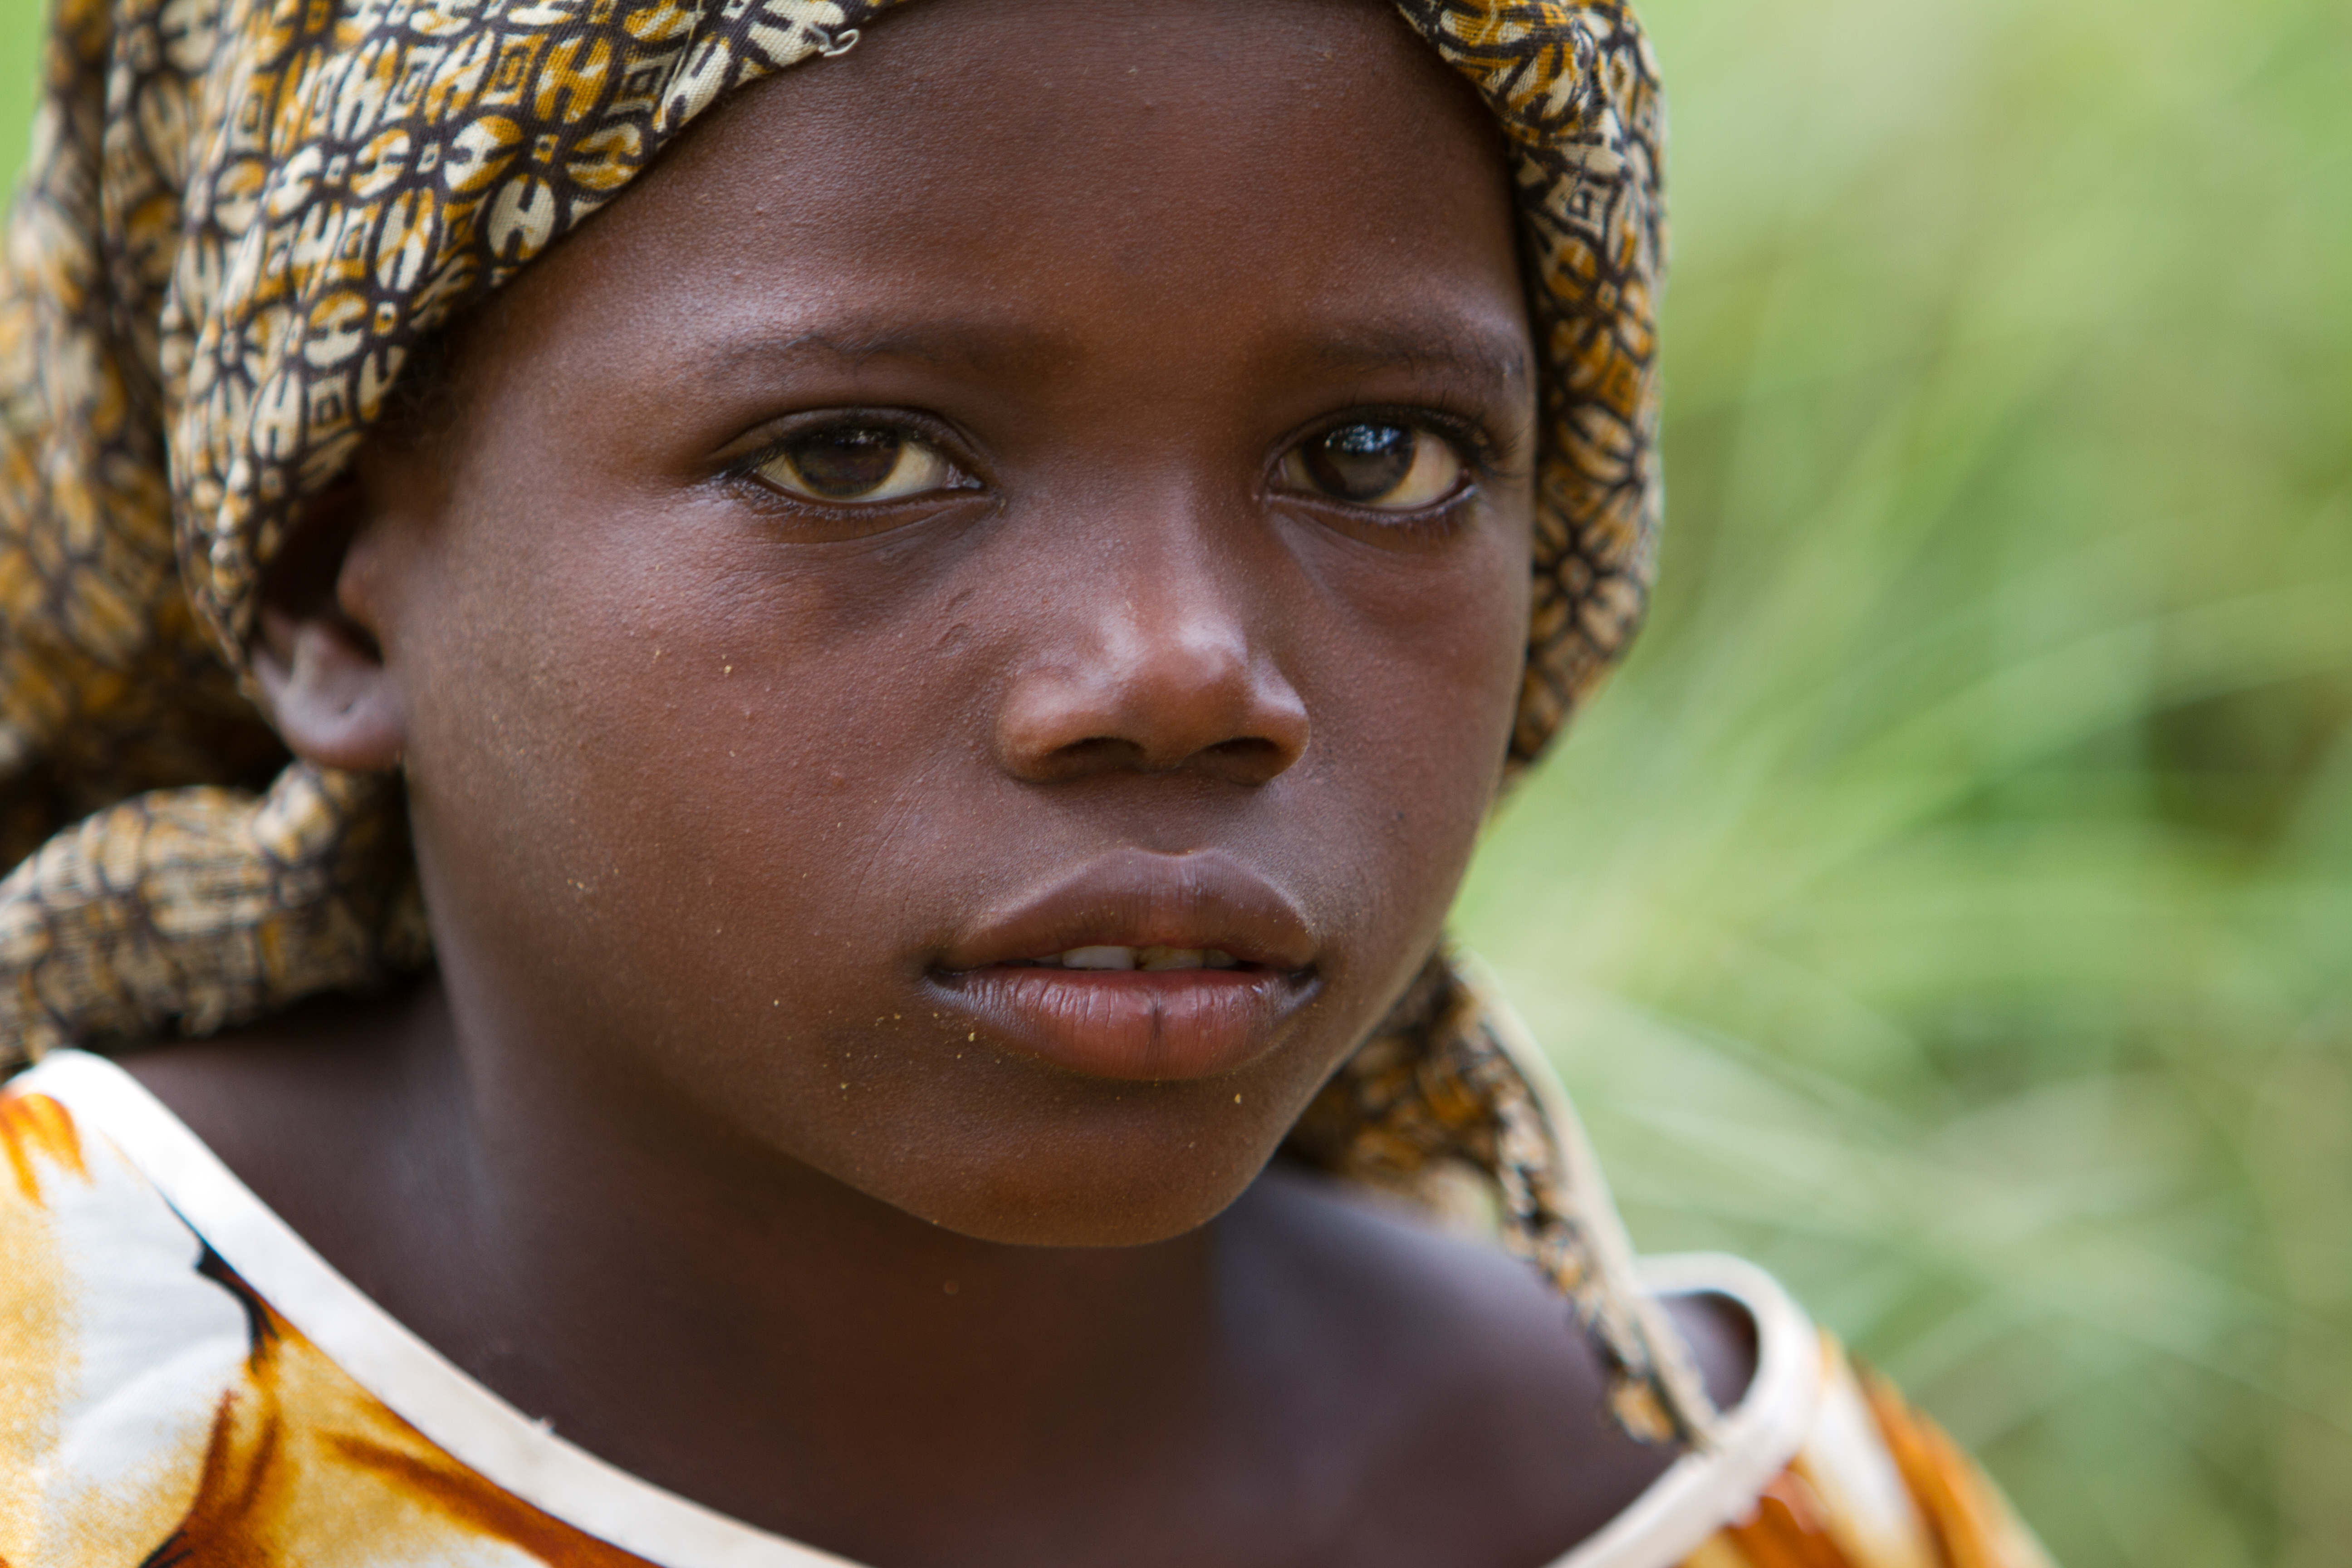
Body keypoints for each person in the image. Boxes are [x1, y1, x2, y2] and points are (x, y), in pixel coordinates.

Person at [0, 0, 2056, 1563]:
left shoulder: (1771, 1510)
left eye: (1376, 459)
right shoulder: (80, 1407)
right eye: (852, 458)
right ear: (326, 595)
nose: (1182, 672)